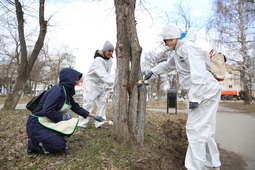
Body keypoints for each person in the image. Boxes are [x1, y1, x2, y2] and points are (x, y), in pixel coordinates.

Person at [144, 24, 221, 170]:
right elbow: (168, 66)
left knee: (194, 129)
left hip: (205, 92)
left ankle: (195, 167)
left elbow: (198, 74)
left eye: (168, 40)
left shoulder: (188, 47)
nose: (165, 43)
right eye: (164, 40)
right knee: (207, 129)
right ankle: (212, 164)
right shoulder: (177, 50)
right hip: (206, 92)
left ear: (175, 37)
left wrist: (195, 98)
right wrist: (152, 71)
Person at [26, 68, 104, 155]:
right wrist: (62, 117)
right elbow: (47, 110)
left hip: (49, 121)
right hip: (37, 124)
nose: (76, 82)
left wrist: (93, 116)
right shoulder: (57, 91)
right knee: (59, 146)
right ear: (68, 78)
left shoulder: (66, 93)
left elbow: (76, 108)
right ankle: (33, 145)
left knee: (72, 123)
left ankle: (53, 138)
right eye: (75, 79)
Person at [78, 40, 115, 129]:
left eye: (112, 51)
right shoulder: (97, 61)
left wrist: (107, 85)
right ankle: (81, 124)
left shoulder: (110, 61)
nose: (110, 53)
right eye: (109, 51)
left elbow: (107, 75)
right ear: (104, 51)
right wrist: (117, 82)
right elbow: (103, 75)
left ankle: (100, 123)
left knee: (102, 103)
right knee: (88, 103)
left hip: (100, 84)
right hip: (91, 84)